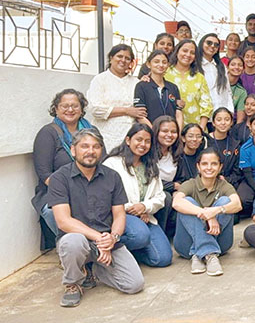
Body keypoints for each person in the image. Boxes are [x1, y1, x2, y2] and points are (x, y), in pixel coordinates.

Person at [47, 128, 144, 307]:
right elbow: (63, 221)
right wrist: (99, 238)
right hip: (78, 240)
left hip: (107, 240)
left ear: (101, 150)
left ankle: (94, 269)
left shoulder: (112, 177)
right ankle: (73, 284)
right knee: (72, 242)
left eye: (96, 146)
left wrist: (113, 238)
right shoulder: (59, 178)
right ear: (73, 150)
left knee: (134, 284)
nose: (90, 151)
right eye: (84, 146)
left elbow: (119, 215)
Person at [32, 89, 93, 250]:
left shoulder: (91, 132)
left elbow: (102, 162)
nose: (70, 110)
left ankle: (92, 247)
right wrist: (74, 194)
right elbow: (44, 173)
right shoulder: (48, 133)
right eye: (65, 106)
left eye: (75, 106)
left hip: (90, 188)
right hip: (55, 192)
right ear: (56, 109)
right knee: (53, 212)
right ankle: (72, 249)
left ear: (82, 109)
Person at [103, 124, 171, 267]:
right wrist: (135, 209)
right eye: (139, 139)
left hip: (146, 216)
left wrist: (145, 207)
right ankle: (102, 247)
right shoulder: (112, 163)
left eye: (147, 141)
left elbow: (160, 196)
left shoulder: (151, 166)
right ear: (128, 140)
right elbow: (106, 195)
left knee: (163, 259)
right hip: (121, 215)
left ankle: (130, 253)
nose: (143, 144)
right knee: (140, 236)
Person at [173, 148, 243, 276]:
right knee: (187, 202)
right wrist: (206, 215)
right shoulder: (190, 184)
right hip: (186, 245)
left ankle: (198, 254)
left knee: (225, 201)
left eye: (214, 164)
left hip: (221, 242)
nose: (209, 168)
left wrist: (216, 210)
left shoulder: (224, 185)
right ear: (198, 167)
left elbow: (237, 204)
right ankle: (209, 254)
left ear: (220, 167)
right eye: (204, 164)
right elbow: (176, 202)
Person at [86, 44, 143, 152]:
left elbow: (140, 110)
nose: (123, 60)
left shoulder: (136, 82)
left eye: (127, 58)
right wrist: (126, 111)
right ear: (111, 58)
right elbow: (95, 109)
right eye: (119, 56)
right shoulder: (100, 80)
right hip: (105, 137)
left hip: (130, 139)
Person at [165, 39, 213, 129]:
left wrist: (200, 130)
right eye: (185, 51)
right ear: (177, 51)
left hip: (194, 131)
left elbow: (206, 106)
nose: (188, 55)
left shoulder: (199, 77)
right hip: (169, 131)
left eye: (192, 53)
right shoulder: (165, 73)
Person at [133, 49, 184, 130]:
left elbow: (178, 113)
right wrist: (154, 132)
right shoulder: (141, 86)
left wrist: (178, 132)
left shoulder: (173, 87)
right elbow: (140, 116)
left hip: (171, 133)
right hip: (150, 132)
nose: (161, 65)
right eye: (156, 62)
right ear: (148, 64)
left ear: (168, 65)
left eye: (164, 62)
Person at [151, 116, 179, 237]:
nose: (170, 135)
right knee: (165, 197)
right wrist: (173, 186)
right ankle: (159, 235)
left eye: (173, 132)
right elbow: (148, 179)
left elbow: (181, 179)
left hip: (172, 194)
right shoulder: (148, 152)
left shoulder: (176, 152)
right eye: (165, 131)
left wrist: (178, 189)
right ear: (156, 132)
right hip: (152, 195)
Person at [198, 33, 234, 113]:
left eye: (216, 45)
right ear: (202, 44)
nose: (212, 46)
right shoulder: (195, 65)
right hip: (202, 114)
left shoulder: (221, 66)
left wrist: (230, 111)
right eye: (209, 43)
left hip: (221, 114)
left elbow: (228, 91)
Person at [207, 108, 243, 187]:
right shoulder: (205, 141)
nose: (223, 123)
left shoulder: (235, 144)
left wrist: (226, 179)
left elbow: (237, 172)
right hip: (206, 181)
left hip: (227, 185)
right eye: (219, 120)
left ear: (231, 123)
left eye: (227, 120)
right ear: (213, 123)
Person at [227, 55, 248, 123]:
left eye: (240, 65)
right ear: (227, 67)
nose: (236, 67)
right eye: (233, 64)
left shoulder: (241, 92)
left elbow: (240, 119)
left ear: (243, 70)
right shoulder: (217, 84)